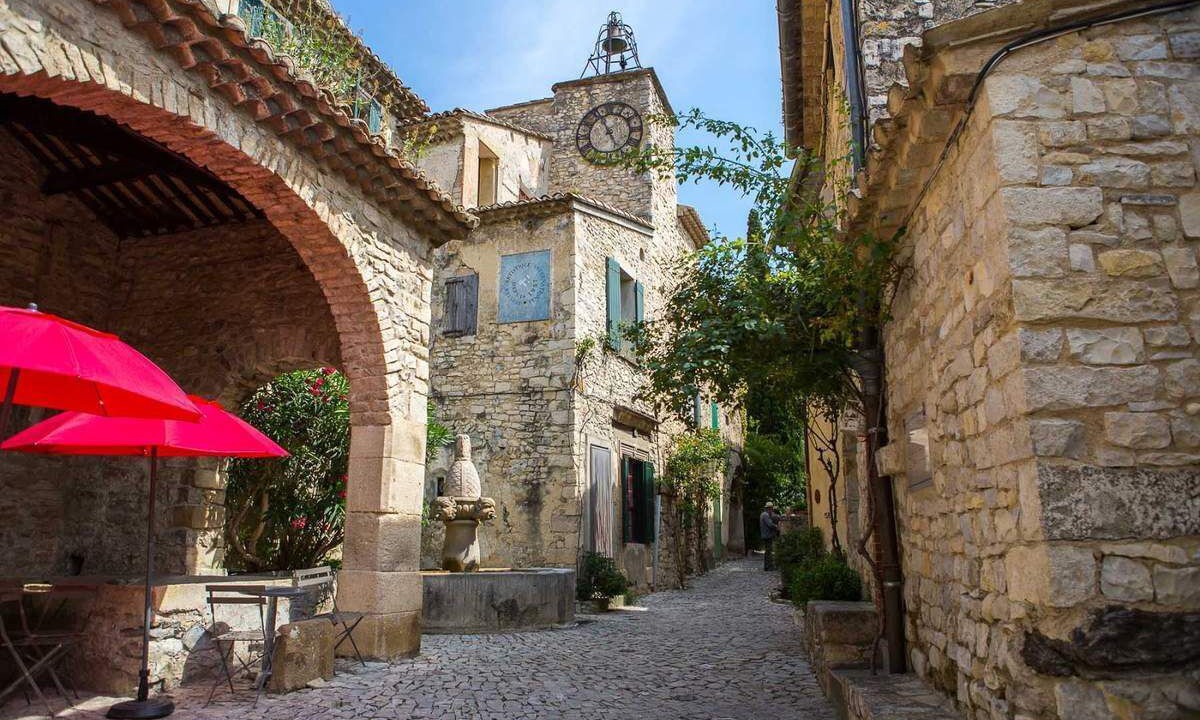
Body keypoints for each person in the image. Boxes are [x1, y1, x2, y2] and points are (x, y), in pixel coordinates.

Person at [760, 502, 780, 571]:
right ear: (769, 508)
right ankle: (769, 566)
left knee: (767, 551)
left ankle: (767, 566)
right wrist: (776, 527)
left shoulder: (763, 514)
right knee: (769, 552)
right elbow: (770, 524)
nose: (772, 510)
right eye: (771, 508)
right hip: (767, 535)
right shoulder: (765, 515)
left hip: (765, 535)